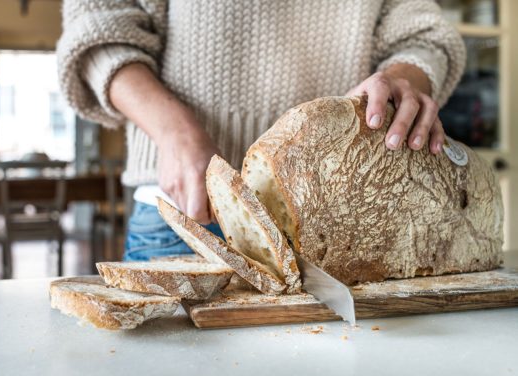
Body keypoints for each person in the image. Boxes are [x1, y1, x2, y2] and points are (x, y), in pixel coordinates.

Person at [57, 0, 465, 261]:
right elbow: (97, 26)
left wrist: (399, 79)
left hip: (343, 222)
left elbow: (426, 37)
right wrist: (174, 132)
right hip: (191, 217)